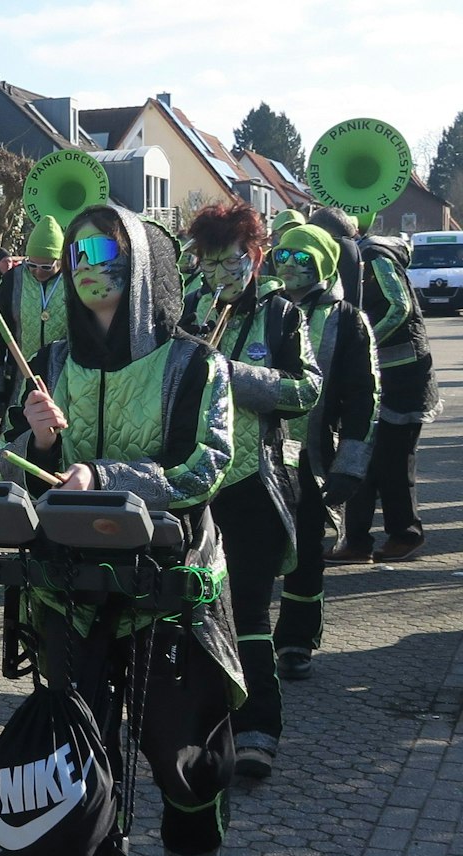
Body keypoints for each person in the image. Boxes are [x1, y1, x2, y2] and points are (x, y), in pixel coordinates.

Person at [3, 202, 240, 856]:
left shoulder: (194, 365)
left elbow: (208, 466)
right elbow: (14, 467)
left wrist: (107, 474)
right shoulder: (50, 365)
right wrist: (31, 440)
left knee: (180, 746)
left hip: (166, 589)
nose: (88, 266)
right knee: (80, 747)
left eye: (105, 251)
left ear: (143, 268)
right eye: (78, 253)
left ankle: (193, 841)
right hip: (70, 593)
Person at [181, 202, 319, 783]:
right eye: (207, 264)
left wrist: (236, 376)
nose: (218, 276)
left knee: (250, 612)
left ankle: (259, 729)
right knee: (194, 609)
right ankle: (203, 724)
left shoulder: (284, 316)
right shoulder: (191, 307)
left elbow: (307, 391)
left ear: (256, 256)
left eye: (229, 263)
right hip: (195, 484)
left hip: (255, 485)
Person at [269, 223, 379, 682]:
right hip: (253, 455)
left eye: (302, 259)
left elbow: (363, 399)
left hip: (310, 460)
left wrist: (350, 465)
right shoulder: (261, 311)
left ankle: (296, 641)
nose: (290, 267)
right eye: (283, 257)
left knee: (307, 554)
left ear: (324, 264)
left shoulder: (348, 320)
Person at [310, 205, 441, 563]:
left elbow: (399, 308)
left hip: (403, 377)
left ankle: (405, 535)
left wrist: (362, 340)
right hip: (374, 377)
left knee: (394, 461)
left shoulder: (375, 257)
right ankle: (357, 542)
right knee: (358, 458)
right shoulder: (342, 264)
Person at [0, 216, 67, 418]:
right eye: (31, 264)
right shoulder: (14, 279)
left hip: (67, 381)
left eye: (46, 267)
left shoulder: (74, 278)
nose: (37, 271)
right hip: (20, 382)